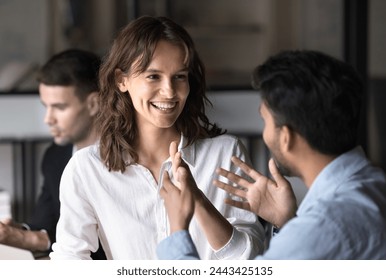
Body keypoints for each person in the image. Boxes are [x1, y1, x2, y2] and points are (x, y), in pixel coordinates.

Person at [49, 16, 264, 260]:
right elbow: (69, 259)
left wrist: (199, 202)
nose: (170, 91)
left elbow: (248, 259)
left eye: (179, 76)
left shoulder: (225, 154)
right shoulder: (86, 167)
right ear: (122, 80)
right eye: (153, 76)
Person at [157, 50, 386, 260]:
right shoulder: (375, 185)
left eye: (264, 120)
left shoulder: (324, 224)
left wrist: (177, 228)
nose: (264, 132)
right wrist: (287, 220)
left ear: (286, 137)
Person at [0, 49, 106, 259]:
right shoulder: (56, 156)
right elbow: (44, 224)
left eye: (59, 107)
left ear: (94, 104)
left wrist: (29, 239)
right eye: (45, 107)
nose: (48, 119)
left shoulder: (130, 158)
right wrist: (13, 233)